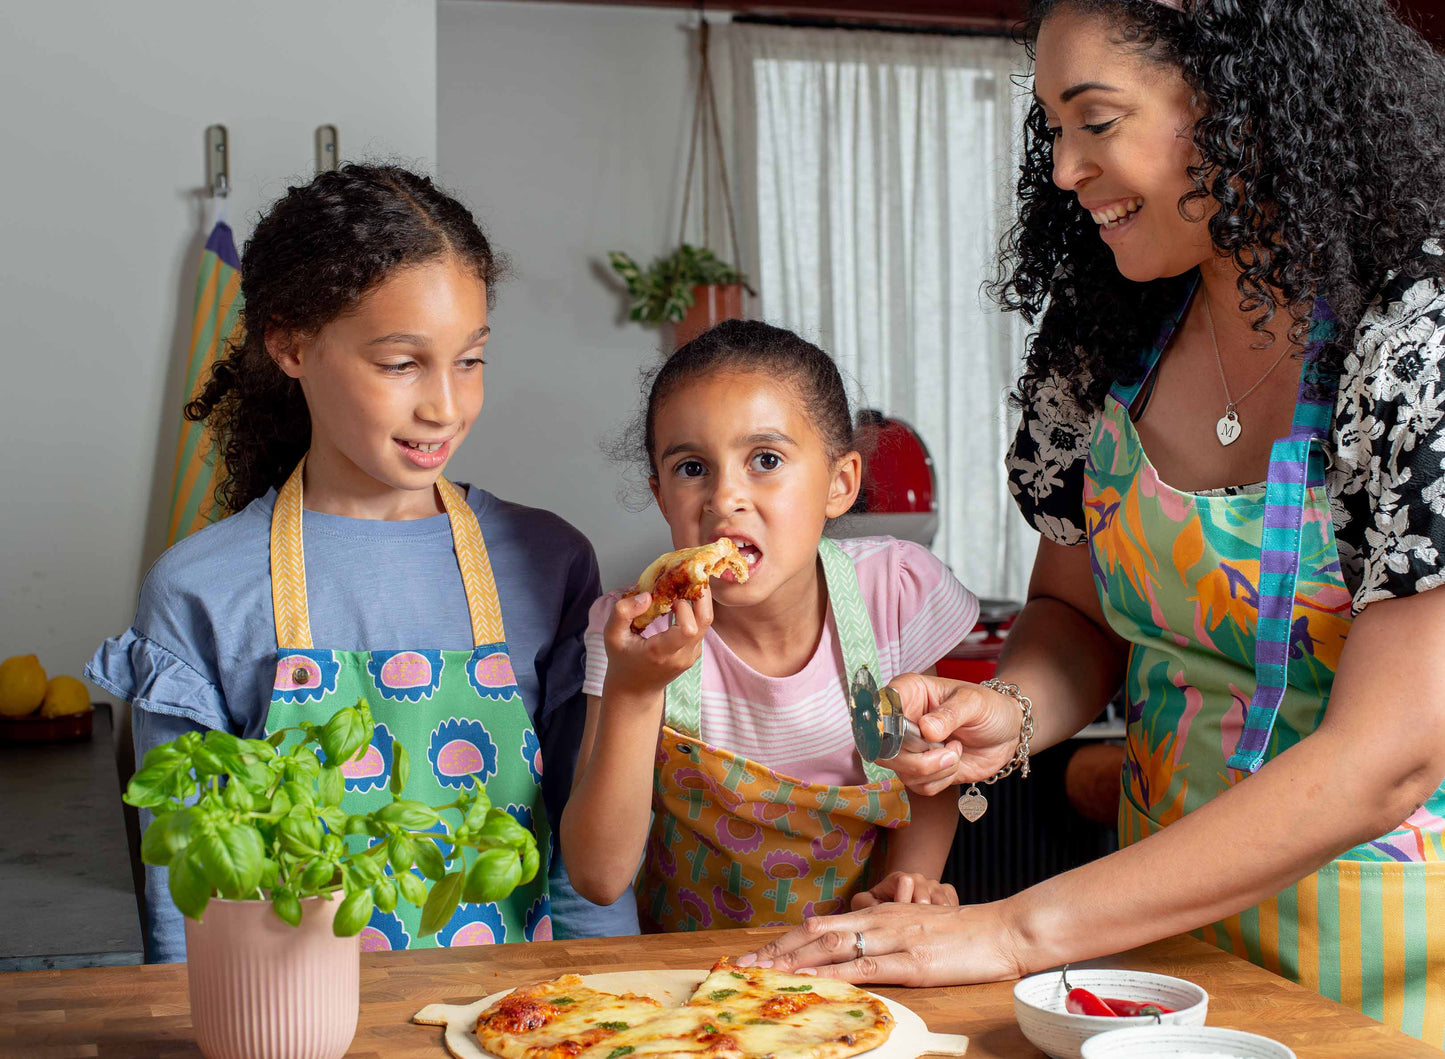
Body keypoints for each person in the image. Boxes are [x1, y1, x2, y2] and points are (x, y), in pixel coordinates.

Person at [739, 0, 1445, 1045]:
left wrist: (1015, 934)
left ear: (1240, 108)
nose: (1064, 170)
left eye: (1094, 121)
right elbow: (1075, 615)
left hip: (1383, 971)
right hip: (1153, 948)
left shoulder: (1414, 350)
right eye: (1050, 130)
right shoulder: (1106, 337)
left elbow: (1384, 759)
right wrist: (1010, 712)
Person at [87, 164, 637, 962]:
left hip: (520, 1026)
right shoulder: (199, 589)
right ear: (290, 343)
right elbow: (188, 897)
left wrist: (608, 1011)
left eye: (470, 359)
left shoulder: (548, 561)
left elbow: (584, 872)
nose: (445, 405)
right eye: (401, 363)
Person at [561, 319, 980, 930]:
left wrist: (910, 885)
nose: (724, 497)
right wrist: (633, 690)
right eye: (691, 468)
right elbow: (597, 878)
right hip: (696, 994)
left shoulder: (891, 592)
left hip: (864, 964)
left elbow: (930, 773)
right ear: (660, 494)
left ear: (840, 484)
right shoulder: (635, 634)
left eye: (765, 459)